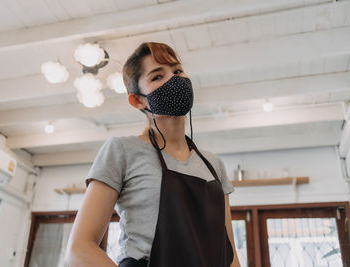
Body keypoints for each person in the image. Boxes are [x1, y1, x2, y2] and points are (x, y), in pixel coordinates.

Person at [65, 42, 240, 267]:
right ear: (137, 100)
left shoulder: (214, 165)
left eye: (177, 71)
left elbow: (231, 256)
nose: (174, 80)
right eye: (157, 77)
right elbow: (80, 249)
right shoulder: (122, 150)